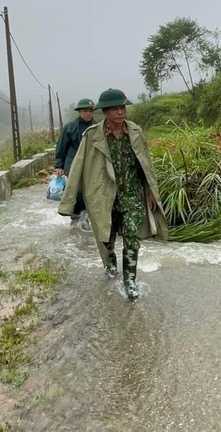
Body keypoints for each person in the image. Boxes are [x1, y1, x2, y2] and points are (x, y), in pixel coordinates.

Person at [58, 88, 167, 301]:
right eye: (115, 108)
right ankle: (109, 264)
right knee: (106, 236)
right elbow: (78, 166)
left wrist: (152, 192)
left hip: (132, 194)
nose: (120, 112)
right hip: (104, 195)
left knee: (132, 235)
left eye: (122, 107)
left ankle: (130, 281)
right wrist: (68, 202)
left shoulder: (135, 131)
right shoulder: (92, 136)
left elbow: (146, 163)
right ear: (105, 112)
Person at [53, 97, 96, 230]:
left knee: (91, 189)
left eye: (90, 111)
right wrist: (59, 165)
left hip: (91, 163)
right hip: (73, 163)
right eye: (85, 111)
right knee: (75, 190)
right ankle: (75, 216)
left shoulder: (98, 127)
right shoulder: (70, 127)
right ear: (79, 112)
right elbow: (62, 146)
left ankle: (89, 215)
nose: (88, 113)